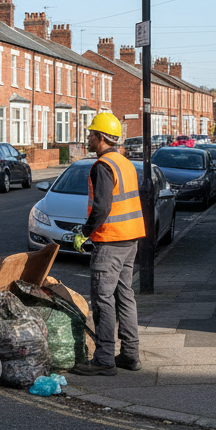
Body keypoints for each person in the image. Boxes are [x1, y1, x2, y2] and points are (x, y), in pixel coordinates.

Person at [71, 112, 146, 376]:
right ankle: (130, 354)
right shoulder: (124, 162)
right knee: (125, 296)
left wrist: (86, 232)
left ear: (101, 138)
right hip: (130, 239)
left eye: (91, 134)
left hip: (110, 240)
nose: (88, 138)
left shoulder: (103, 166)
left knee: (103, 299)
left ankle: (104, 358)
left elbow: (102, 206)